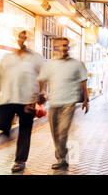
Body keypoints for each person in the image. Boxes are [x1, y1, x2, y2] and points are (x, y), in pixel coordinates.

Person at [38, 37, 89, 170]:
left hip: (69, 102)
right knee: (55, 132)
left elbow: (83, 81)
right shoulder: (49, 64)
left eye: (66, 45)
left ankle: (61, 159)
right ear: (55, 48)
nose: (64, 48)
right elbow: (42, 80)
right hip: (54, 102)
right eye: (61, 46)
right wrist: (41, 93)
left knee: (63, 131)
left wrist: (86, 100)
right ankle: (61, 156)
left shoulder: (77, 64)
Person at [0, 29, 44, 173]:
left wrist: (39, 95)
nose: (23, 40)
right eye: (21, 37)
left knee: (25, 130)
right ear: (17, 39)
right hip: (8, 98)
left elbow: (43, 77)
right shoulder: (7, 58)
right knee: (2, 123)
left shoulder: (36, 58)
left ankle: (20, 160)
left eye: (26, 37)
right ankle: (6, 132)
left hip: (27, 99)